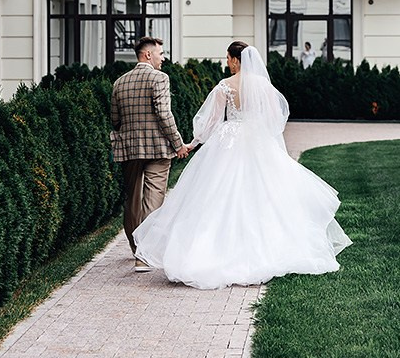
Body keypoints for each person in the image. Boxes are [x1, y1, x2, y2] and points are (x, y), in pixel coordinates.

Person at [133, 41, 351, 290]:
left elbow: (209, 123)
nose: (227, 63)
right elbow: (276, 119)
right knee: (263, 196)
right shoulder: (263, 86)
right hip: (257, 142)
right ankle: (267, 250)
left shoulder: (225, 86)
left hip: (228, 142)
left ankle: (212, 253)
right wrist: (259, 132)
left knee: (217, 195)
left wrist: (192, 143)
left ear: (236, 60)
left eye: (228, 58)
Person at [110, 36, 190, 273]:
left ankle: (136, 248)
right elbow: (164, 114)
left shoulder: (119, 82)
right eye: (160, 53)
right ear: (147, 55)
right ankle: (144, 255)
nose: (163, 58)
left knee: (132, 199)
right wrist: (178, 145)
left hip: (129, 148)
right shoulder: (160, 78)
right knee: (153, 198)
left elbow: (115, 120)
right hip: (157, 147)